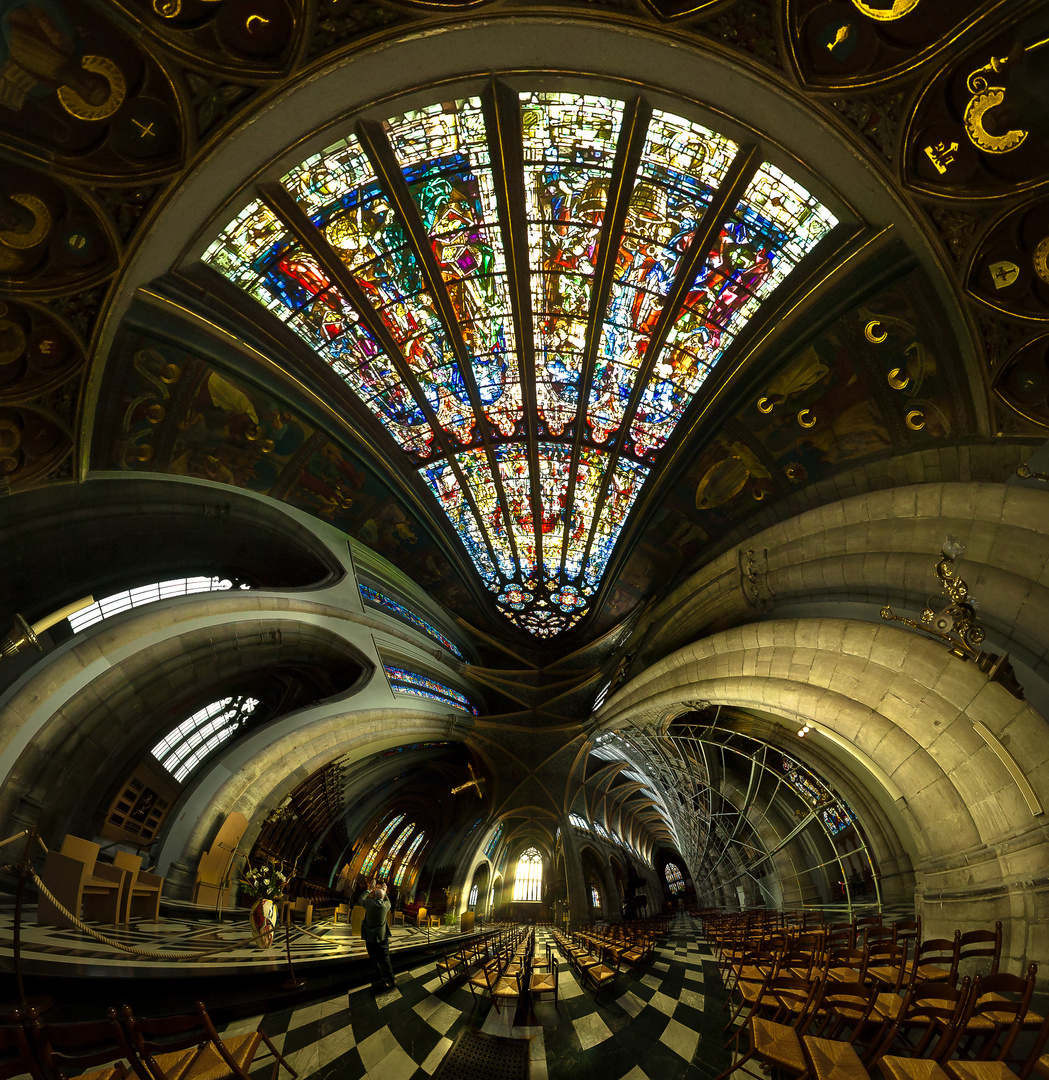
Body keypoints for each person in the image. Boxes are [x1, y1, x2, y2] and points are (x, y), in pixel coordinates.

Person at [362, 878, 396, 990]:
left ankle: (383, 980)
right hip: (382, 936)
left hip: (370, 937)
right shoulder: (386, 905)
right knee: (386, 958)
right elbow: (389, 902)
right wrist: (385, 892)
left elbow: (360, 899)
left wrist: (369, 889)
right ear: (382, 897)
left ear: (374, 896)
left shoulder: (368, 902)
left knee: (375, 960)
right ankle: (392, 979)